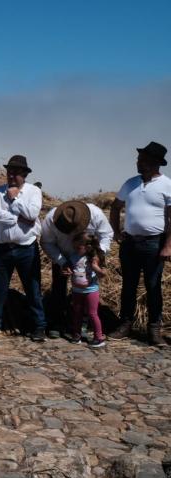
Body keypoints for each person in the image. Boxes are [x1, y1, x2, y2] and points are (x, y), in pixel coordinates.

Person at [109, 141, 171, 345]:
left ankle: (154, 329)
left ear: (154, 163)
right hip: (130, 244)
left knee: (153, 287)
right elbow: (116, 207)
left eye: (142, 159)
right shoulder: (130, 183)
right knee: (129, 285)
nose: (138, 162)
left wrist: (168, 246)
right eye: (138, 159)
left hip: (154, 244)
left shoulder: (167, 185)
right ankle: (125, 324)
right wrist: (117, 233)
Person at [0, 155, 45, 338]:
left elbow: (33, 214)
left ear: (24, 174)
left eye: (16, 173)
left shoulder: (34, 191)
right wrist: (18, 218)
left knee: (33, 288)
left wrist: (15, 200)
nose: (11, 176)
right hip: (3, 248)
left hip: (26, 248)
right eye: (9, 172)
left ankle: (39, 326)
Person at [40, 200, 113, 340]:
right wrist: (62, 262)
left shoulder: (96, 214)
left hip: (87, 259)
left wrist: (98, 255)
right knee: (59, 288)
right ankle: (57, 323)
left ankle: (82, 324)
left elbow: (107, 235)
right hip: (63, 254)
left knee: (86, 290)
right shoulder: (50, 219)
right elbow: (47, 242)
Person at [67, 232, 107, 348]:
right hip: (76, 291)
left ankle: (98, 337)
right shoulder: (73, 256)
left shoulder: (93, 258)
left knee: (92, 313)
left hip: (91, 290)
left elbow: (103, 274)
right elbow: (70, 268)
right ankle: (76, 334)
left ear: (88, 247)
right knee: (77, 313)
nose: (75, 249)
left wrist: (96, 268)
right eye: (74, 247)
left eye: (78, 247)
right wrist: (67, 271)